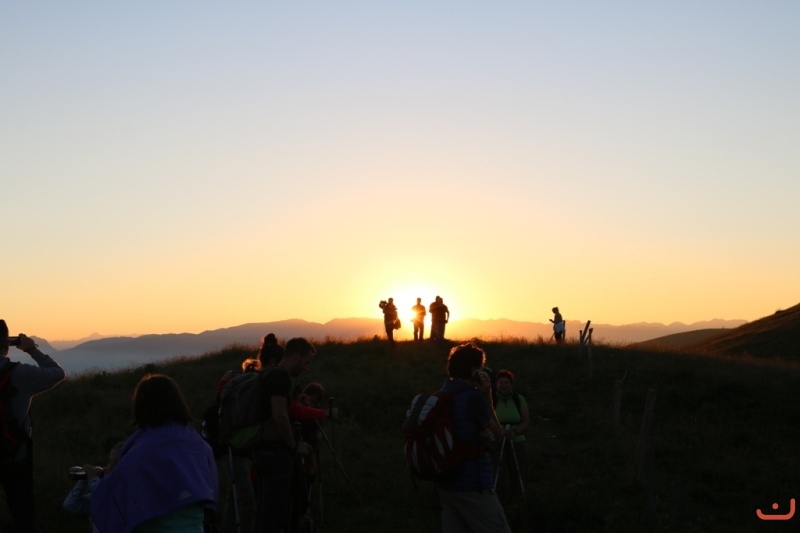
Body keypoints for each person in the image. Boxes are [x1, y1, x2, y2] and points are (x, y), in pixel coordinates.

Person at [91, 374, 219, 533]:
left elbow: (114, 499)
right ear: (178, 402)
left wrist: (93, 480)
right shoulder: (200, 445)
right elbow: (211, 493)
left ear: (140, 407)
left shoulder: (139, 452)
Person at [436, 343, 511, 533]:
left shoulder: (442, 394)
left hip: (445, 483)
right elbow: (498, 433)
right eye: (481, 367)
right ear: (474, 371)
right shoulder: (473, 397)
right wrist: (487, 395)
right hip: (473, 484)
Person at [0, 319, 66, 532]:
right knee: (23, 511)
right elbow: (57, 373)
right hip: (15, 453)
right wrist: (31, 349)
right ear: (7, 343)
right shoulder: (19, 373)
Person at [252, 338, 315, 533]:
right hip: (275, 454)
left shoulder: (268, 373)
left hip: (262, 450)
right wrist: (294, 446)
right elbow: (279, 416)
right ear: (295, 357)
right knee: (275, 514)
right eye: (306, 362)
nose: (306, 368)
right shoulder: (280, 377)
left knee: (265, 509)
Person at [63, 441, 124, 533]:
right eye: (109, 462)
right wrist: (84, 480)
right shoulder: (99, 494)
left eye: (116, 463)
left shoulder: (125, 494)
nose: (110, 467)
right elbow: (70, 504)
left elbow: (104, 496)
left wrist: (93, 478)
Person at [491, 369, 529, 503]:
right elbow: (488, 419)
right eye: (501, 382)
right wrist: (499, 431)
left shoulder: (519, 399)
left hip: (517, 439)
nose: (503, 385)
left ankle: (519, 498)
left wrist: (515, 432)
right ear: (496, 384)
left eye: (506, 382)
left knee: (517, 469)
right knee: (497, 470)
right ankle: (497, 499)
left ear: (511, 384)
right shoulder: (492, 400)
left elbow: (526, 421)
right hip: (497, 440)